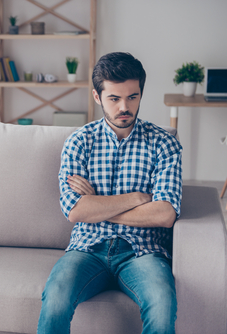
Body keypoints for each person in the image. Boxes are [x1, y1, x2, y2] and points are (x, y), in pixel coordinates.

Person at [37, 52, 182, 334]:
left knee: (163, 303)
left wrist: (99, 207)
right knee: (55, 298)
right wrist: (138, 198)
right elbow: (76, 212)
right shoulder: (79, 142)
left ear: (141, 94)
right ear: (97, 96)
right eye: (114, 98)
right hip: (86, 249)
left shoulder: (164, 144)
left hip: (143, 252)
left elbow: (165, 214)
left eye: (132, 97)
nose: (124, 107)